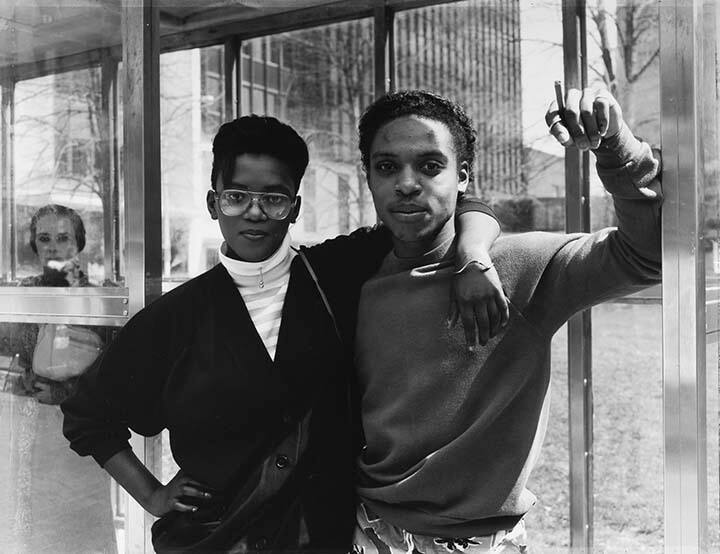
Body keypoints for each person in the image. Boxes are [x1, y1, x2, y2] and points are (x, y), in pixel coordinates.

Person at [61, 115, 506, 552]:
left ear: (294, 208)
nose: (254, 212)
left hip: (323, 536)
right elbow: (87, 416)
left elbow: (454, 207)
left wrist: (472, 256)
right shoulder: (175, 317)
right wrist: (152, 496)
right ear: (213, 203)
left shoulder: (336, 273)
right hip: (212, 539)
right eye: (237, 196)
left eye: (274, 198)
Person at [351, 89, 661, 553]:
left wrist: (616, 145)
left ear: (463, 177)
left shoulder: (518, 266)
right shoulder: (352, 274)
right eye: (387, 167)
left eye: (431, 166)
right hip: (366, 529)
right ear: (369, 177)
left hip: (477, 540)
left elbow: (646, 254)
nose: (407, 183)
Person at [0, 204, 116, 553]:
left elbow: (118, 375)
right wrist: (14, 378)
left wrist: (66, 390)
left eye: (62, 238)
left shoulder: (100, 299)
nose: (52, 247)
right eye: (44, 238)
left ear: (78, 243)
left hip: (79, 435)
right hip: (26, 432)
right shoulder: (19, 296)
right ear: (34, 245)